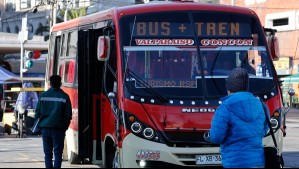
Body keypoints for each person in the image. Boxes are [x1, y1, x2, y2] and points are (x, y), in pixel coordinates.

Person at [205, 68, 269, 168]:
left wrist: (209, 136)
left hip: (234, 162)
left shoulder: (225, 108)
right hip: (257, 162)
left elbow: (217, 137)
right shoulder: (260, 105)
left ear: (229, 88)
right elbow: (264, 129)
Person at [35, 75, 72, 168]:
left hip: (45, 128)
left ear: (50, 84)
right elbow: (68, 115)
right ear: (60, 84)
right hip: (59, 129)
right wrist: (65, 126)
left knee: (47, 154)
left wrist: (39, 125)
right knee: (58, 154)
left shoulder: (43, 96)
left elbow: (37, 113)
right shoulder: (64, 96)